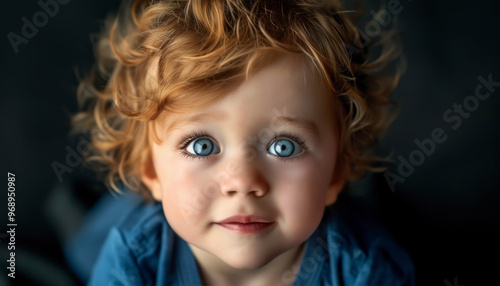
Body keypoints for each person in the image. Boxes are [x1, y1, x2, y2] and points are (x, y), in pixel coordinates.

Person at [72, 0, 414, 285]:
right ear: (151, 169)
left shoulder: (365, 272)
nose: (243, 182)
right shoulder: (132, 262)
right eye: (201, 145)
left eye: (285, 146)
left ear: (337, 171)